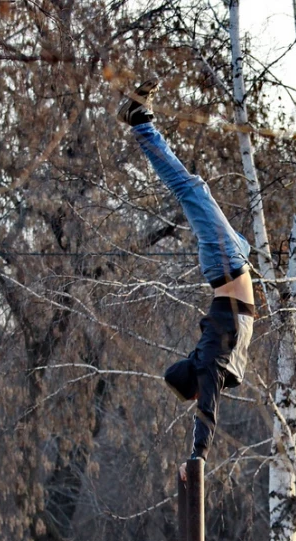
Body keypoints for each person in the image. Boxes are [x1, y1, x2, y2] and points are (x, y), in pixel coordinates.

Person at [116, 78, 255, 467]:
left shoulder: (209, 362)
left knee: (189, 189)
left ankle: (139, 121)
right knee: (197, 191)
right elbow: (208, 402)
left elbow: (206, 414)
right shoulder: (213, 362)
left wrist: (198, 455)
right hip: (236, 259)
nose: (199, 397)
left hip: (226, 263)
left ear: (195, 384)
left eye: (194, 394)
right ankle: (140, 120)